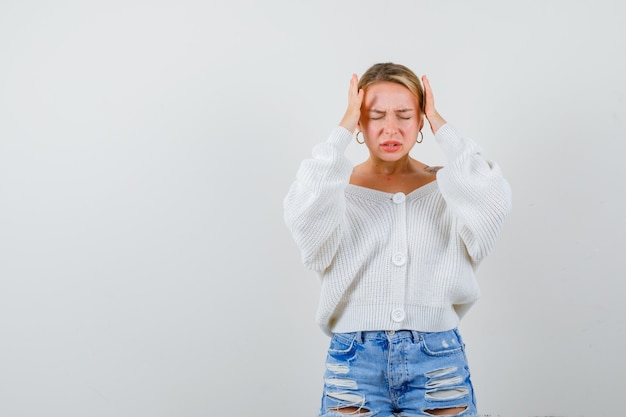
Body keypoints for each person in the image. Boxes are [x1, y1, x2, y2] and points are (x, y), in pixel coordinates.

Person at [283, 62, 512, 417]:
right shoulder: (334, 189)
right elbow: (303, 218)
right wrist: (341, 129)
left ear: (420, 120)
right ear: (360, 122)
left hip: (438, 362)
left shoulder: (449, 188)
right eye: (375, 115)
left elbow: (493, 201)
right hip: (354, 365)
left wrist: (443, 127)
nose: (391, 128)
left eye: (405, 115)